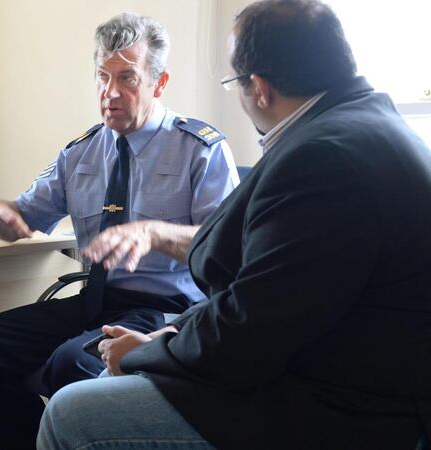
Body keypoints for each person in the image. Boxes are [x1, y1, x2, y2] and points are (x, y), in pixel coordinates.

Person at [38, 1, 431, 449]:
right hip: (335, 361)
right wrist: (168, 335)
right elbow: (268, 293)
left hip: (349, 407)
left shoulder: (322, 158)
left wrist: (147, 352)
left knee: (70, 414)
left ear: (259, 88)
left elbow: (251, 333)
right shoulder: (365, 128)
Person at [0, 12, 238, 450]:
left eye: (127, 78)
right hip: (96, 301)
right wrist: (3, 216)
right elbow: (27, 217)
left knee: (71, 366)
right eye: (103, 77)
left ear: (159, 84)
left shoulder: (201, 149)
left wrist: (153, 233)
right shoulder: (81, 152)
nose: (110, 93)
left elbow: (227, 251)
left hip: (166, 310)